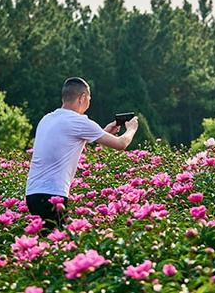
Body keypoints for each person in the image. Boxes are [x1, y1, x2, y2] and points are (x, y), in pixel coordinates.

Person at [25, 77, 139, 229]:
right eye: (89, 98)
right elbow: (121, 144)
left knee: (50, 243)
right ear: (82, 97)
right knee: (63, 245)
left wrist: (103, 132)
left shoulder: (47, 119)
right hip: (52, 195)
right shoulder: (79, 121)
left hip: (33, 194)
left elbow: (69, 144)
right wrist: (131, 129)